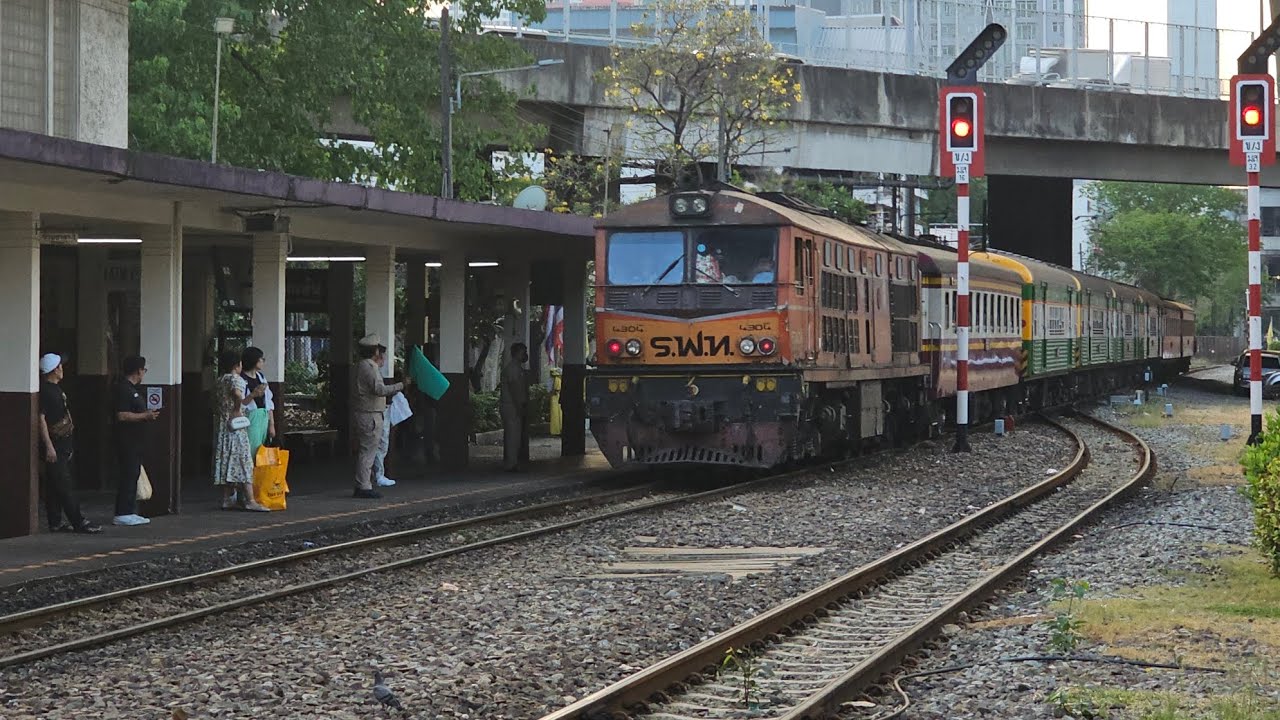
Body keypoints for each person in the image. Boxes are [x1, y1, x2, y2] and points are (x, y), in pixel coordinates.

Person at [37, 354, 101, 534]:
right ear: (54, 370)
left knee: (54, 486)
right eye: (59, 366)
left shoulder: (55, 390)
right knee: (65, 485)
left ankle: (55, 522)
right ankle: (78, 521)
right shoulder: (47, 392)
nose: (62, 369)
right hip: (55, 445)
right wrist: (49, 446)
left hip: (63, 445)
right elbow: (41, 419)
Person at [352, 334, 408, 498]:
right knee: (368, 451)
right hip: (370, 414)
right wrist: (401, 385)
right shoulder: (369, 367)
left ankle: (363, 483)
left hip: (365, 412)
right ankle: (364, 486)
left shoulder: (360, 366)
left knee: (366, 450)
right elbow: (379, 389)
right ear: (374, 350)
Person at [213, 349, 268, 511]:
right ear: (238, 365)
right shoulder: (235, 379)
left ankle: (226, 498)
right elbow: (238, 396)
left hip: (223, 425)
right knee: (244, 460)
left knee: (226, 460)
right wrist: (239, 408)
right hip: (236, 426)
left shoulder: (220, 380)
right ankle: (250, 500)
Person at [112, 356, 160, 526]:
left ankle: (130, 510)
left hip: (136, 440)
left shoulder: (134, 389)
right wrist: (145, 415)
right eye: (144, 370)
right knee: (128, 474)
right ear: (138, 370)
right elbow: (122, 415)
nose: (144, 373)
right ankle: (122, 511)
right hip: (127, 440)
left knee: (133, 475)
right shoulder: (123, 389)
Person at [239, 347, 275, 462]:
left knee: (262, 449)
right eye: (261, 359)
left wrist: (271, 424)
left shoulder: (261, 377)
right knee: (251, 449)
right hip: (250, 416)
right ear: (254, 360)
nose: (263, 361)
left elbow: (269, 402)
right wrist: (253, 395)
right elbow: (241, 403)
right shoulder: (241, 379)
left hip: (263, 416)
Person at [500, 343, 530, 472]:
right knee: (513, 436)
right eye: (523, 352)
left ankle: (512, 462)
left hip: (512, 405)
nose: (525, 355)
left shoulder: (516, 368)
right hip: (511, 406)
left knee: (515, 435)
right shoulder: (513, 369)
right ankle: (511, 464)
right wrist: (519, 407)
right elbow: (515, 390)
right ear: (517, 353)